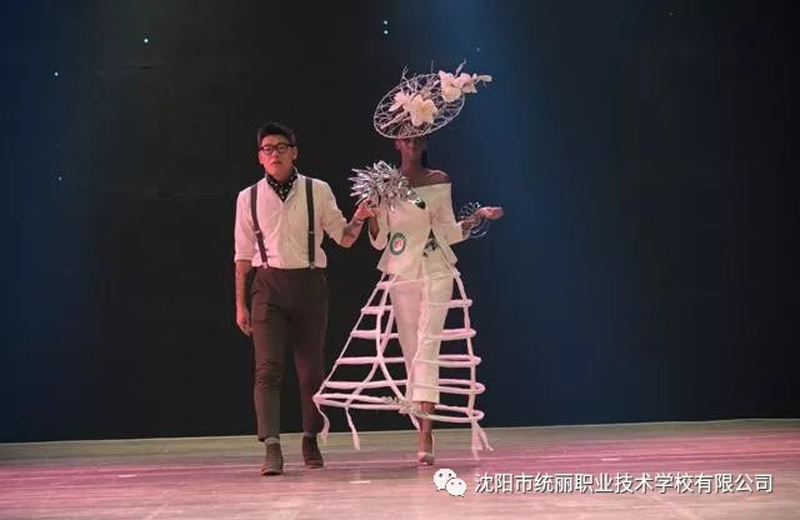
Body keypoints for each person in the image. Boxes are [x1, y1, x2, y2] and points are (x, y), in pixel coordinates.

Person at [233, 122, 374, 476]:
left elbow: (343, 238)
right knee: (268, 369)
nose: (275, 154)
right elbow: (242, 256)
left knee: (311, 372)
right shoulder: (248, 197)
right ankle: (272, 446)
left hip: (309, 284)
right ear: (259, 157)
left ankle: (310, 437)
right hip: (268, 286)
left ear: (294, 152)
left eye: (281, 148)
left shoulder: (318, 190)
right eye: (267, 149)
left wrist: (359, 218)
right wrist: (240, 304)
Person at [365, 135, 503, 464]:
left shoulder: (439, 180)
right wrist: (370, 212)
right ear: (397, 144)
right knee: (411, 347)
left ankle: (426, 434)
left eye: (417, 139)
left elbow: (447, 230)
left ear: (424, 143)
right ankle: (421, 419)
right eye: (405, 139)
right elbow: (379, 240)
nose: (411, 144)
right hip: (402, 269)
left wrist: (476, 217)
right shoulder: (384, 183)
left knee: (429, 346)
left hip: (436, 268)